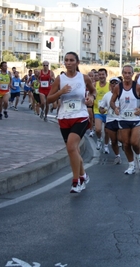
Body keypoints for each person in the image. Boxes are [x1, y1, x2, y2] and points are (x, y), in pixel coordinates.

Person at [47, 51, 96, 193]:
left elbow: (93, 92)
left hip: (80, 116)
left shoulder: (84, 78)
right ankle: (84, 175)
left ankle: (76, 182)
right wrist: (60, 92)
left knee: (71, 148)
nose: (68, 63)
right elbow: (49, 99)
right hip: (64, 117)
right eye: (66, 60)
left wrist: (91, 98)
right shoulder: (59, 79)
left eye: (71, 60)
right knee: (74, 150)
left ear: (77, 62)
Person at [110, 65, 140, 175]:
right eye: (125, 73)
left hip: (135, 119)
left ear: (132, 74)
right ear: (122, 74)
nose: (127, 75)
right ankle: (131, 165)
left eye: (129, 73)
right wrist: (115, 108)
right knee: (126, 144)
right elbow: (112, 102)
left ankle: (139, 157)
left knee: (135, 142)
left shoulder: (138, 87)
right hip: (123, 119)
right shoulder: (118, 87)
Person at [100, 77, 123, 164]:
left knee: (121, 138)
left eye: (116, 83)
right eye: (112, 83)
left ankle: (125, 144)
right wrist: (103, 110)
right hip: (110, 120)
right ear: (110, 85)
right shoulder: (107, 95)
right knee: (113, 140)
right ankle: (118, 156)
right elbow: (101, 108)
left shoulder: (123, 94)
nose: (114, 85)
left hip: (121, 119)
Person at [94, 68, 110, 153]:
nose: (101, 76)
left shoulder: (109, 86)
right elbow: (90, 94)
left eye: (103, 74)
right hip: (97, 111)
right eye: (99, 75)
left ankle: (106, 145)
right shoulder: (94, 85)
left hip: (107, 111)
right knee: (98, 129)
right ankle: (99, 139)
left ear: (106, 75)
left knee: (107, 131)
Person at [86, 71, 96, 137]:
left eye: (92, 76)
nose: (91, 77)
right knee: (89, 116)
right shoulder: (84, 83)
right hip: (86, 101)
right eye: (89, 75)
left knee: (92, 117)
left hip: (94, 102)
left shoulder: (95, 84)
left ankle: (92, 129)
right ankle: (90, 128)